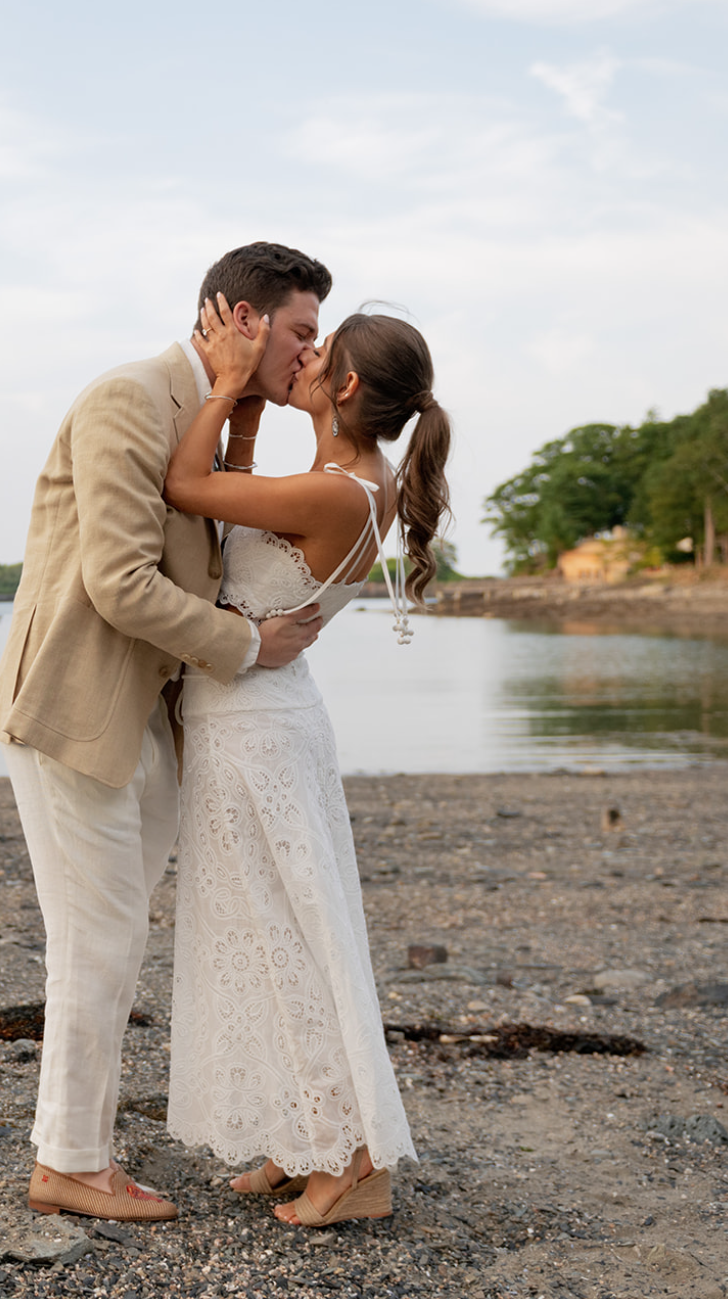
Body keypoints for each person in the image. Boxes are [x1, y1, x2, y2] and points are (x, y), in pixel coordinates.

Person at [0, 244, 333, 1222]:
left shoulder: (212, 416)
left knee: (113, 932)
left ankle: (76, 1146)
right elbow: (119, 581)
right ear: (242, 317)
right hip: (75, 706)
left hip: (149, 713)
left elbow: (208, 537)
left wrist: (246, 409)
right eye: (300, 330)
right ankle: (68, 1159)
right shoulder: (129, 399)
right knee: (96, 934)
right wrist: (249, 645)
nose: (312, 352)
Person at [162, 294, 452, 1227]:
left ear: (349, 383)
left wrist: (230, 384)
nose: (303, 358)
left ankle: (355, 1158)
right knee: (258, 936)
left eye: (317, 350)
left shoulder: (337, 488)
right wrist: (245, 410)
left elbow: (184, 487)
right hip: (252, 720)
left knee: (290, 941)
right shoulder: (336, 473)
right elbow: (228, 506)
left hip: (259, 732)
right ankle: (302, 1135)